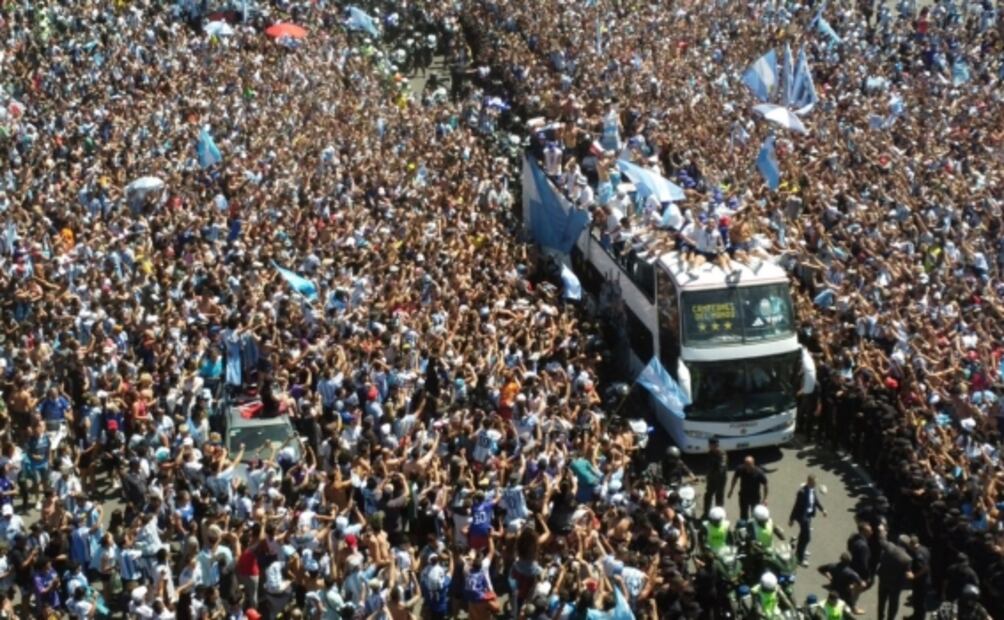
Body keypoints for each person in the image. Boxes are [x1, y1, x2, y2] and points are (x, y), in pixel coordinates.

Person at [788, 475, 827, 567]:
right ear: (809, 482)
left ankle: (800, 551)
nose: (815, 484)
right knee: (807, 537)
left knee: (803, 535)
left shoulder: (812, 489)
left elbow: (815, 501)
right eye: (814, 483)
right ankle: (799, 558)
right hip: (802, 517)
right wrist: (791, 519)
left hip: (808, 515)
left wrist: (822, 509)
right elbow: (796, 506)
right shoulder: (801, 492)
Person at [877, 536, 914, 620]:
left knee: (881, 602)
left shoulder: (889, 546)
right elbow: (908, 574)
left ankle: (880, 618)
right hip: (895, 585)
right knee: (893, 604)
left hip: (883, 579)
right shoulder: (907, 559)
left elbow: (881, 541)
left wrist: (883, 532)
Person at [728, 455, 768, 521]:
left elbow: (765, 485)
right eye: (746, 464)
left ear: (753, 464)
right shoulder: (740, 469)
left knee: (755, 514)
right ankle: (743, 527)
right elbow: (735, 478)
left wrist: (765, 498)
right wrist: (731, 490)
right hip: (743, 496)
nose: (747, 466)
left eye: (749, 464)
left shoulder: (759, 473)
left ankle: (753, 528)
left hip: (755, 497)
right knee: (743, 515)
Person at [904, 535, 930, 620]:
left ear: (912, 544)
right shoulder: (924, 548)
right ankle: (916, 616)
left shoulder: (918, 553)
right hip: (923, 580)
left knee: (920, 602)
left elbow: (925, 568)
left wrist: (914, 576)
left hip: (921, 581)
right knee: (917, 601)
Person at [702, 437, 728, 518]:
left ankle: (719, 515)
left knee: (719, 496)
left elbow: (722, 466)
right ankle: (706, 513)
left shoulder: (722, 454)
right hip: (712, 478)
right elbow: (709, 466)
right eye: (709, 444)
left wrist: (715, 472)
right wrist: (707, 476)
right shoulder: (710, 453)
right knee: (708, 495)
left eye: (710, 444)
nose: (709, 446)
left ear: (715, 445)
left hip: (720, 479)